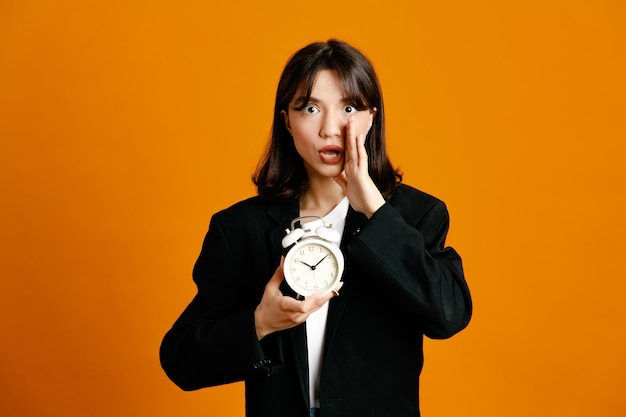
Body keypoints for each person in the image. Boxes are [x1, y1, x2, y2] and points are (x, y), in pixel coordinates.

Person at [160, 39, 472, 417]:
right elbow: (181, 360)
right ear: (286, 120)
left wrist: (374, 208)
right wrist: (260, 323)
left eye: (349, 107)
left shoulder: (418, 215)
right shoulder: (241, 228)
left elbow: (448, 316)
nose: (330, 129)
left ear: (371, 117)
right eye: (309, 108)